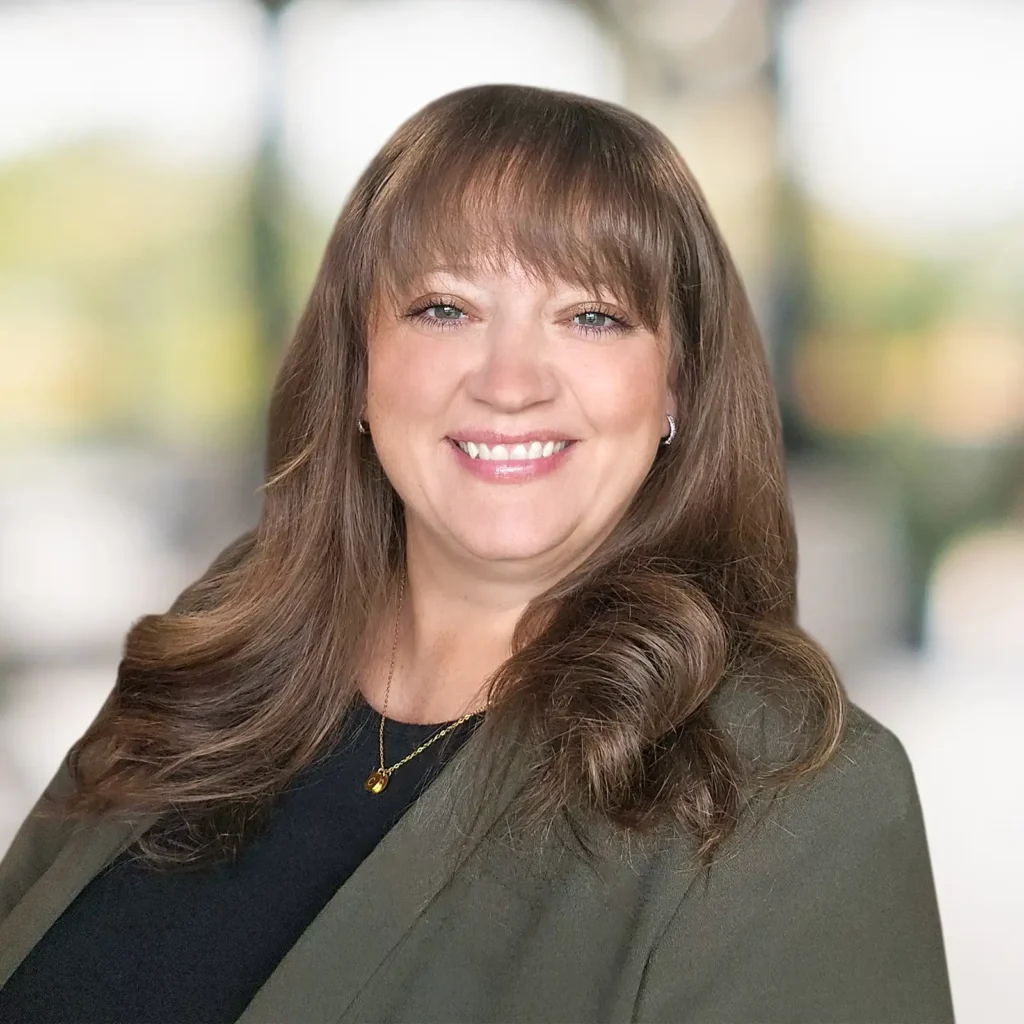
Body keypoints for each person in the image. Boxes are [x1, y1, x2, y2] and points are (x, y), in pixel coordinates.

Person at [0, 83, 953, 1024]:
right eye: (446, 309)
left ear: (678, 386)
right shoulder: (222, 646)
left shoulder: (793, 792)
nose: (510, 384)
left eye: (592, 316)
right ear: (358, 366)